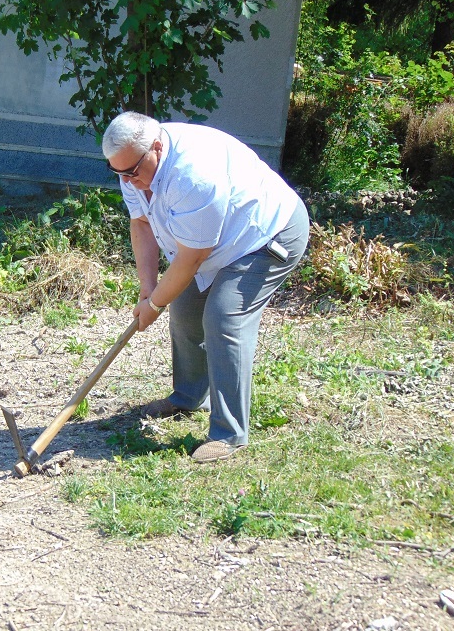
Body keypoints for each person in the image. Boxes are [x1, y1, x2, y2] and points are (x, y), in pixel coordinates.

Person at [102, 111, 309, 462]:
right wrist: (147, 289)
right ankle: (188, 396)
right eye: (118, 173)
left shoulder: (193, 176)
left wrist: (153, 306)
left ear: (156, 147)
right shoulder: (132, 166)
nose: (128, 181)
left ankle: (230, 434)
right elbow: (141, 225)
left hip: (266, 235)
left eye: (132, 172)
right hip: (218, 240)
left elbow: (191, 258)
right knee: (183, 310)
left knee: (224, 318)